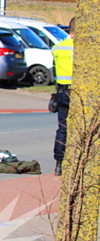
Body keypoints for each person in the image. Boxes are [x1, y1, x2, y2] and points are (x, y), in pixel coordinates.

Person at [52, 17, 74, 176]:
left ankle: (58, 164)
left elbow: (54, 71)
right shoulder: (84, 49)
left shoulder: (58, 47)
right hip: (77, 93)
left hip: (61, 92)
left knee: (62, 129)